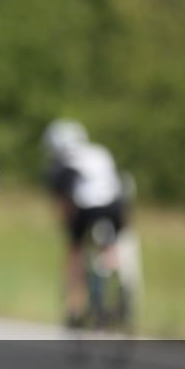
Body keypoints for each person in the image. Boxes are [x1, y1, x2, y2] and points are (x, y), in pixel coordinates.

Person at [43, 119, 126, 327]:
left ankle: (74, 306)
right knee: (110, 246)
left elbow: (65, 204)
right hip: (116, 207)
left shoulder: (63, 164)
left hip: (87, 209)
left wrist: (70, 230)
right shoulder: (100, 152)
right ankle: (117, 278)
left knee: (75, 252)